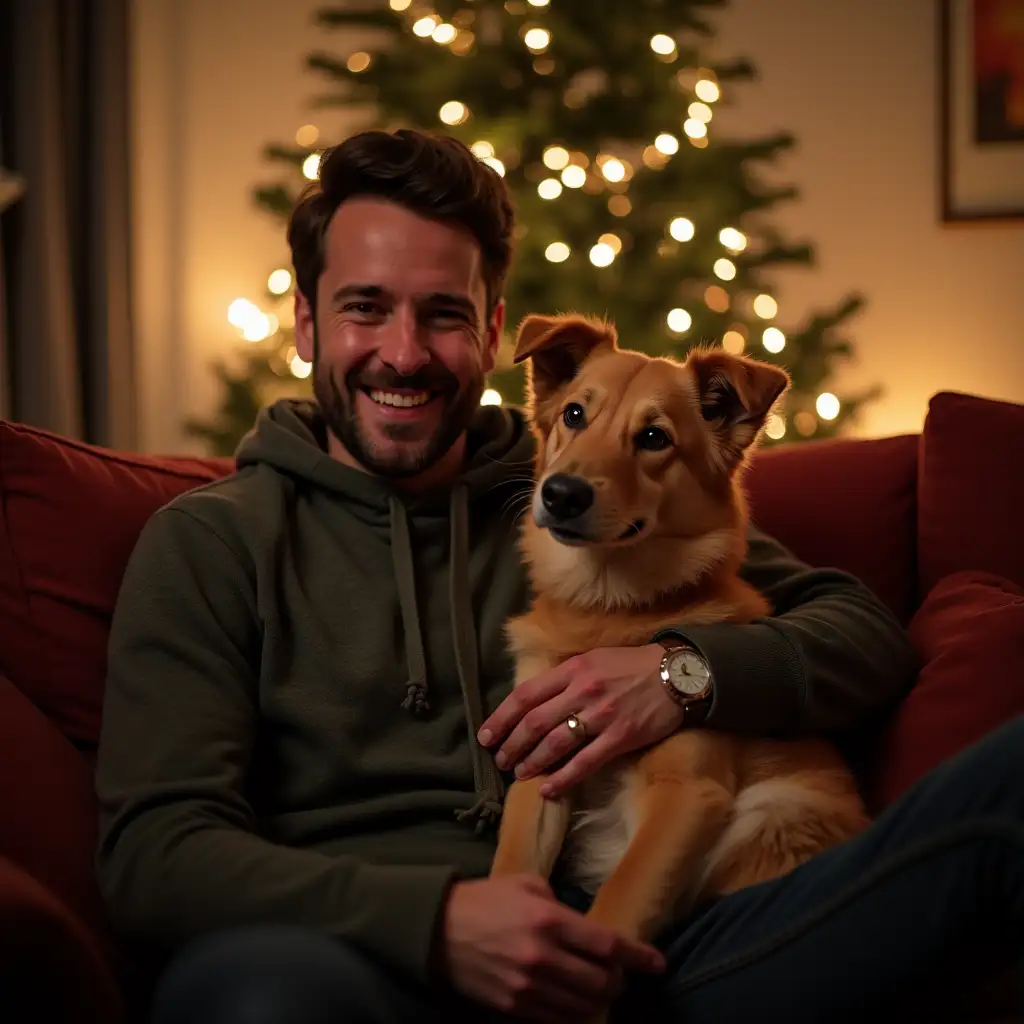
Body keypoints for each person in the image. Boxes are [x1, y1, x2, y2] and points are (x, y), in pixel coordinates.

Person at [94, 128, 1024, 1024]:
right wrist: (435, 923)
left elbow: (858, 630)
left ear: (497, 332)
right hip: (367, 954)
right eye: (364, 306)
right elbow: (154, 854)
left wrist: (679, 676)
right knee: (249, 996)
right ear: (305, 322)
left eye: (445, 313)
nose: (406, 352)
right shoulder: (212, 543)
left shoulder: (578, 495)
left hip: (657, 943)